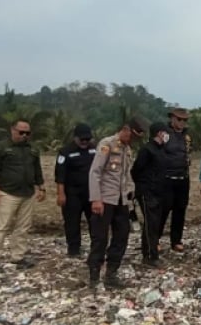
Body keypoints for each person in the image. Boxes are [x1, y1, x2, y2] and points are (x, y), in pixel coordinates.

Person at [87, 118, 145, 288]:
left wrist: (131, 194)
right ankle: (94, 275)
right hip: (105, 199)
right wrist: (96, 199)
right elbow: (95, 172)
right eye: (132, 135)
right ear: (125, 130)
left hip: (121, 200)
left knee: (122, 235)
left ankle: (111, 273)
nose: (133, 140)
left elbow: (127, 174)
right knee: (100, 238)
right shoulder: (107, 144)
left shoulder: (127, 149)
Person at [0, 119, 45, 273]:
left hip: (28, 193)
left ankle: (18, 257)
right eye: (21, 132)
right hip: (7, 192)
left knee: (23, 227)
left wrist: (42, 188)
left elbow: (37, 170)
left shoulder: (33, 149)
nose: (24, 135)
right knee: (2, 227)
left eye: (27, 133)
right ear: (12, 130)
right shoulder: (1, 147)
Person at [55, 123, 96, 258]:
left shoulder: (95, 149)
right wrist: (61, 194)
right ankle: (73, 249)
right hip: (72, 193)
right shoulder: (65, 151)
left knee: (95, 221)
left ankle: (96, 247)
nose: (84, 142)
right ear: (75, 138)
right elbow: (60, 175)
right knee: (72, 222)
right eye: (82, 139)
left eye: (87, 139)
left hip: (91, 193)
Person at [131, 122, 169, 268]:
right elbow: (136, 170)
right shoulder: (147, 150)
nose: (167, 136)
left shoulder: (161, 149)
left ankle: (150, 252)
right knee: (151, 224)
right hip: (148, 192)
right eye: (165, 133)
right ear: (159, 133)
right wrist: (142, 188)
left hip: (160, 192)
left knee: (154, 223)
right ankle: (150, 256)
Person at [157, 107, 192, 253]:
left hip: (183, 177)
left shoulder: (186, 136)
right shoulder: (164, 134)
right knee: (163, 209)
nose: (182, 122)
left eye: (184, 120)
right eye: (179, 119)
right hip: (167, 178)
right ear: (172, 118)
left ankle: (176, 240)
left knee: (180, 209)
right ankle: (155, 238)